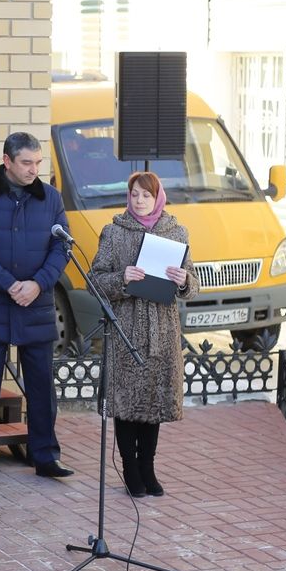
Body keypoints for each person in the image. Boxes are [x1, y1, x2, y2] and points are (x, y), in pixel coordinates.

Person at [0, 132, 75, 482]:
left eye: (37, 163)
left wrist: (38, 283)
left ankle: (45, 456)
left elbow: (62, 247)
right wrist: (9, 284)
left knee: (41, 386)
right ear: (6, 161)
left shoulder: (50, 198)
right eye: (26, 163)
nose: (33, 170)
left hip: (35, 303)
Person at [87, 171, 200, 497]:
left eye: (145, 195)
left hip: (162, 331)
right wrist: (122, 279)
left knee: (153, 403)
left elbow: (192, 284)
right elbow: (94, 281)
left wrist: (182, 281)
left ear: (157, 197)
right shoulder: (114, 232)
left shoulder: (176, 232)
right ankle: (130, 470)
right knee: (126, 403)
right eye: (134, 194)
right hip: (126, 330)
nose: (139, 201)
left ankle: (148, 468)